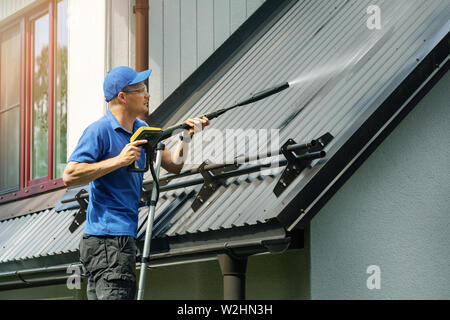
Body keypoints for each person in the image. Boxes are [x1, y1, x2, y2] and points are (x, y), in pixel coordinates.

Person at [62, 66, 209, 300]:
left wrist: (187, 136)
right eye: (142, 90)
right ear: (123, 96)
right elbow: (70, 175)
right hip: (108, 241)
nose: (148, 95)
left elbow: (174, 165)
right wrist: (119, 160)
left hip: (115, 240)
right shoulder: (99, 131)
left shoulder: (142, 130)